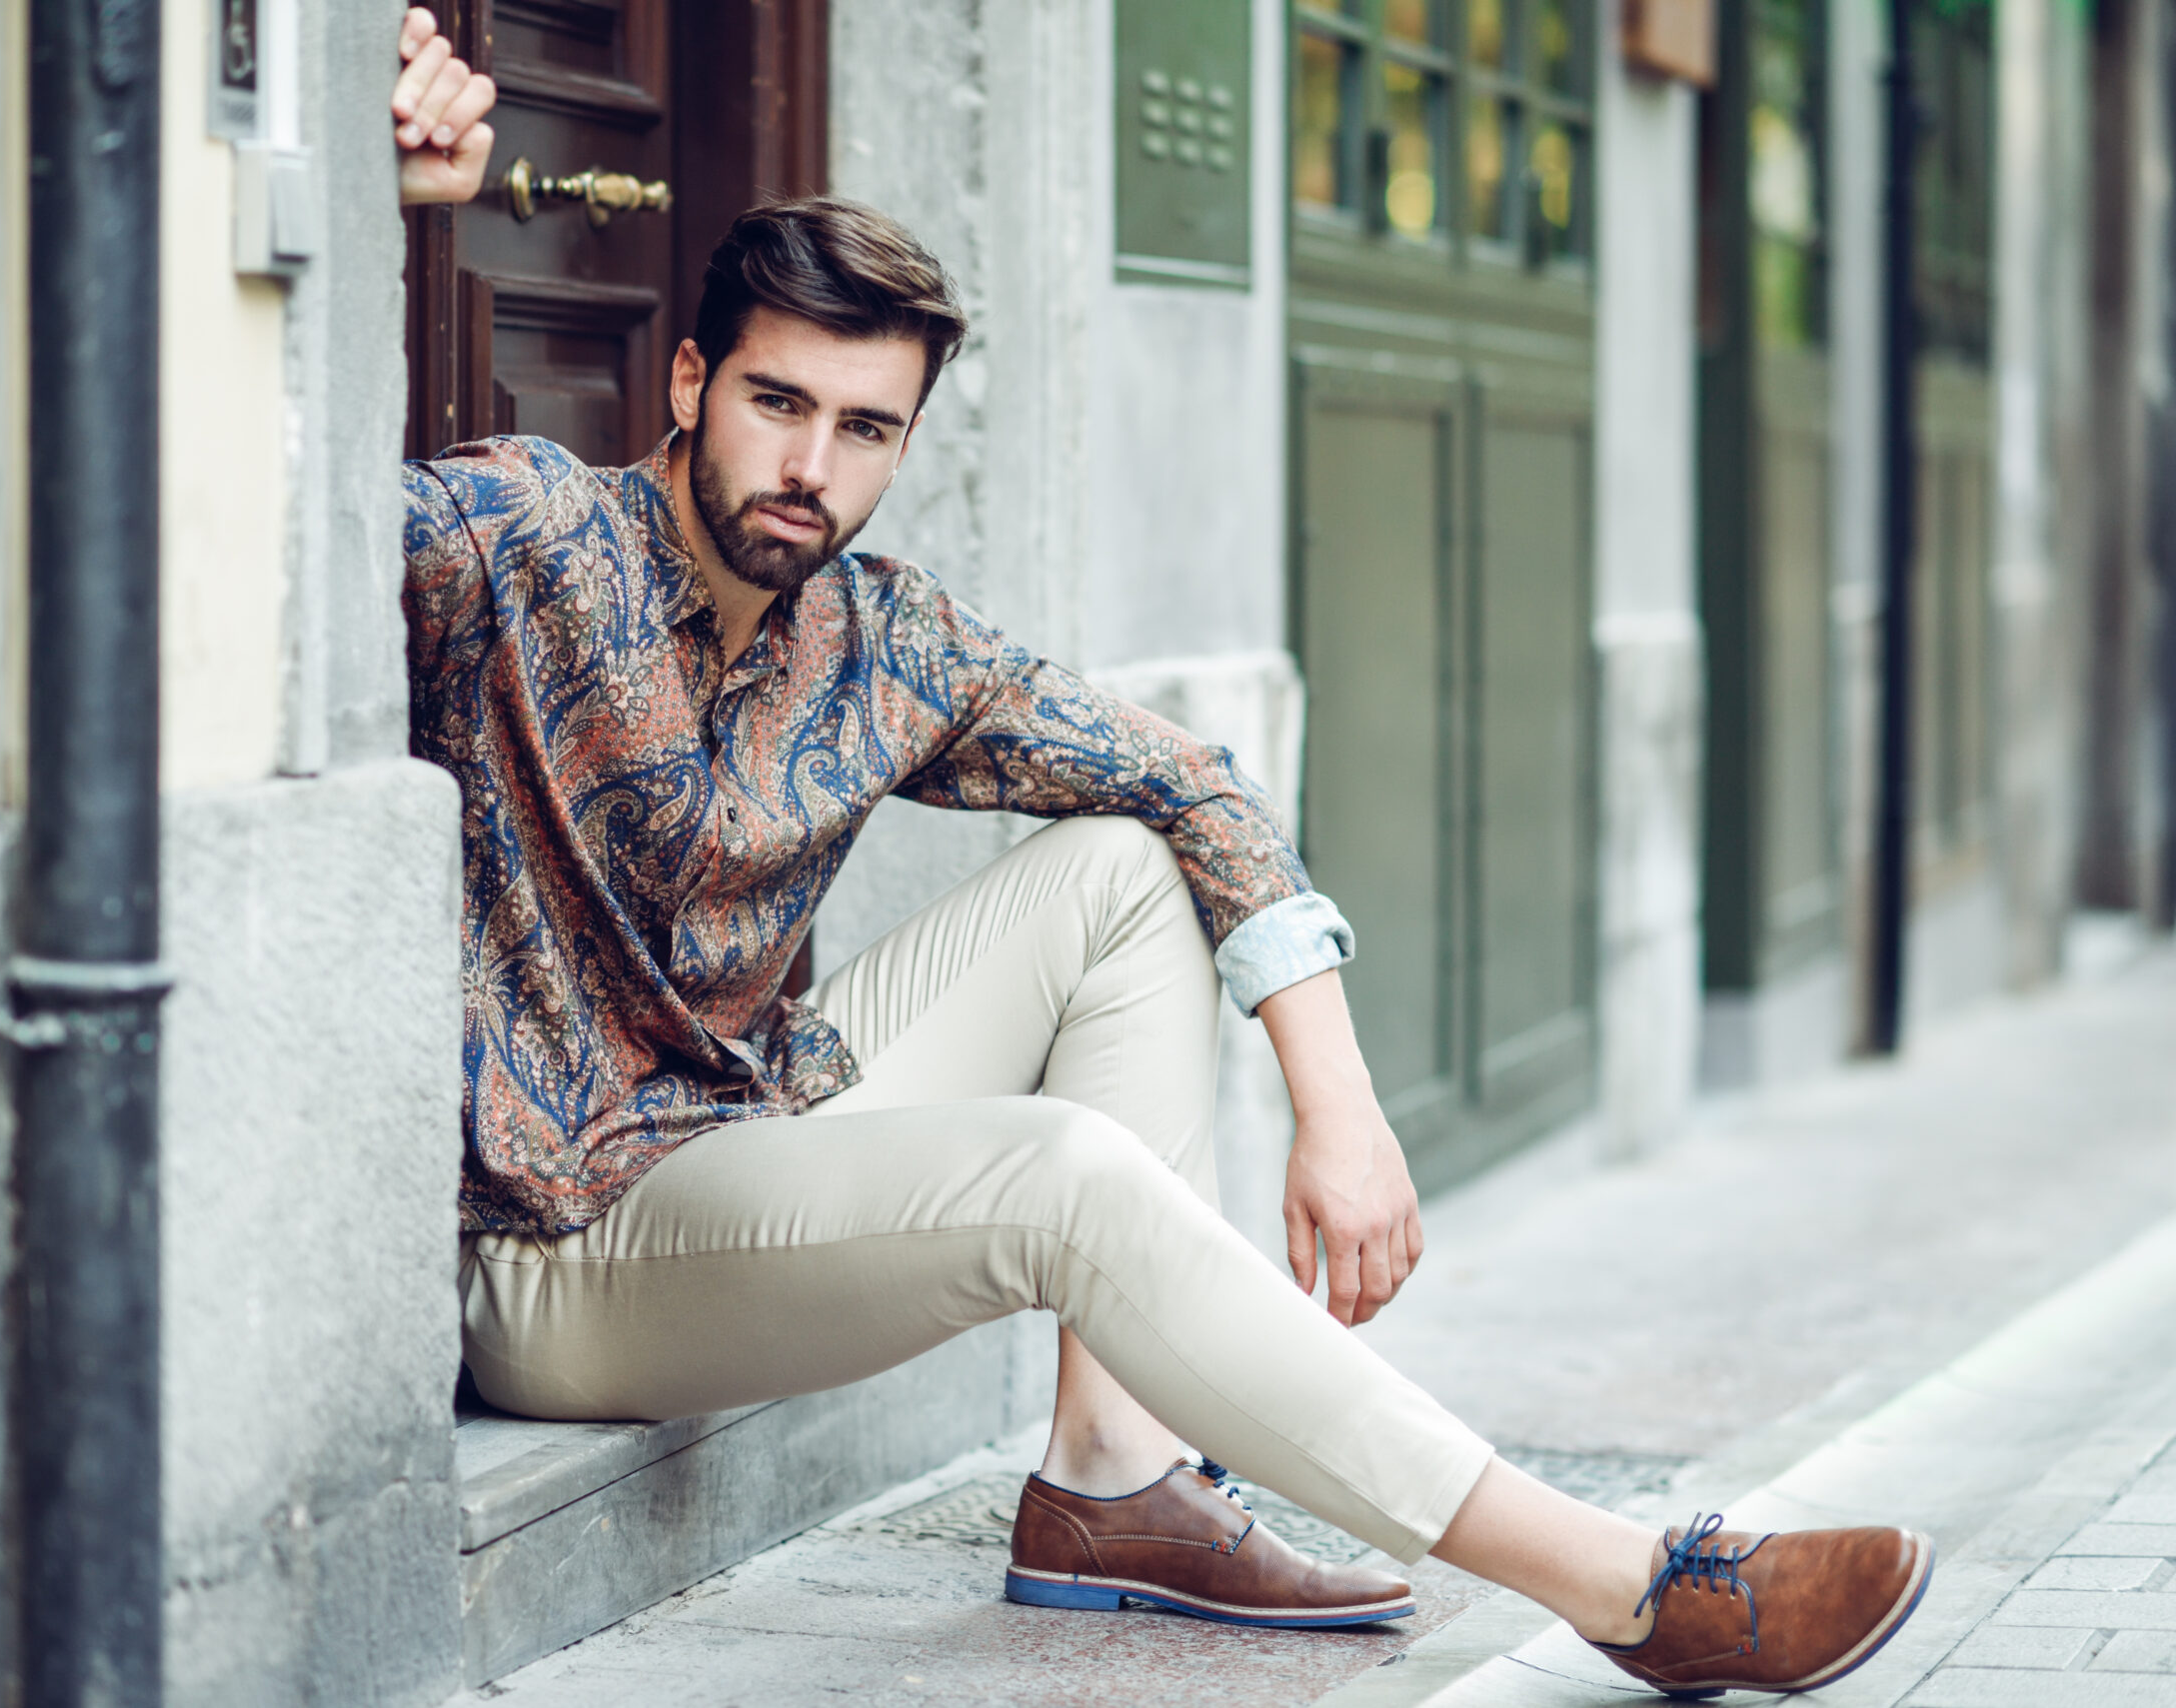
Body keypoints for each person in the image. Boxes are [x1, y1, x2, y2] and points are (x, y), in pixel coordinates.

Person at [383, 13, 1932, 1695]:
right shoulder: (529, 537)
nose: (811, 468)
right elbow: (287, 551)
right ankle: (1624, 1584)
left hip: (739, 1129)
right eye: (775, 402)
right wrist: (407, 217)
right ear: (688, 385)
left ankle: (1110, 1477)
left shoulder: (875, 640)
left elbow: (1196, 781)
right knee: (1065, 1174)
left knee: (1124, 863)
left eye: (866, 427)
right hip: (559, 1246)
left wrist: (1333, 1097)